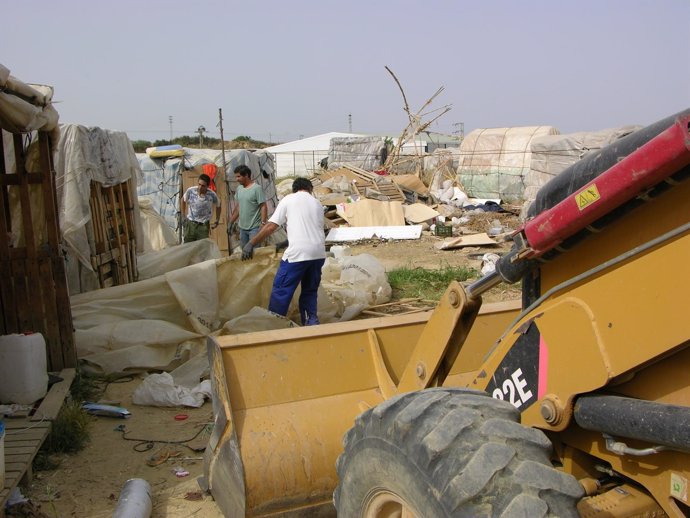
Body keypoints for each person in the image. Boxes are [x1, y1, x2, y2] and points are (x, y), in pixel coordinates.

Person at [242, 177, 325, 326]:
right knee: (309, 291)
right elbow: (311, 228)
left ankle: (275, 325)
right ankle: (311, 323)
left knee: (281, 291)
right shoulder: (317, 203)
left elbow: (271, 226)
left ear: (294, 189)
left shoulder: (289, 199)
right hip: (318, 254)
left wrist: (251, 243)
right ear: (310, 189)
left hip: (297, 255)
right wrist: (287, 241)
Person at [229, 165, 267, 248]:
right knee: (245, 252)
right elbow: (239, 207)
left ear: (246, 175)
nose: (237, 179)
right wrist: (231, 222)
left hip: (255, 228)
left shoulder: (257, 189)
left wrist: (263, 223)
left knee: (254, 252)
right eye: (236, 177)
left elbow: (263, 206)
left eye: (238, 176)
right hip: (242, 228)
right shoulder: (239, 189)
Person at [180, 173, 221, 243]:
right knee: (188, 246)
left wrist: (217, 219)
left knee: (202, 247)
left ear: (207, 186)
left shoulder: (211, 194)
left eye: (203, 186)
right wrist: (183, 215)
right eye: (199, 184)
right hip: (191, 224)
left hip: (203, 225)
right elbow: (182, 200)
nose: (200, 187)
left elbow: (219, 205)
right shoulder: (191, 191)